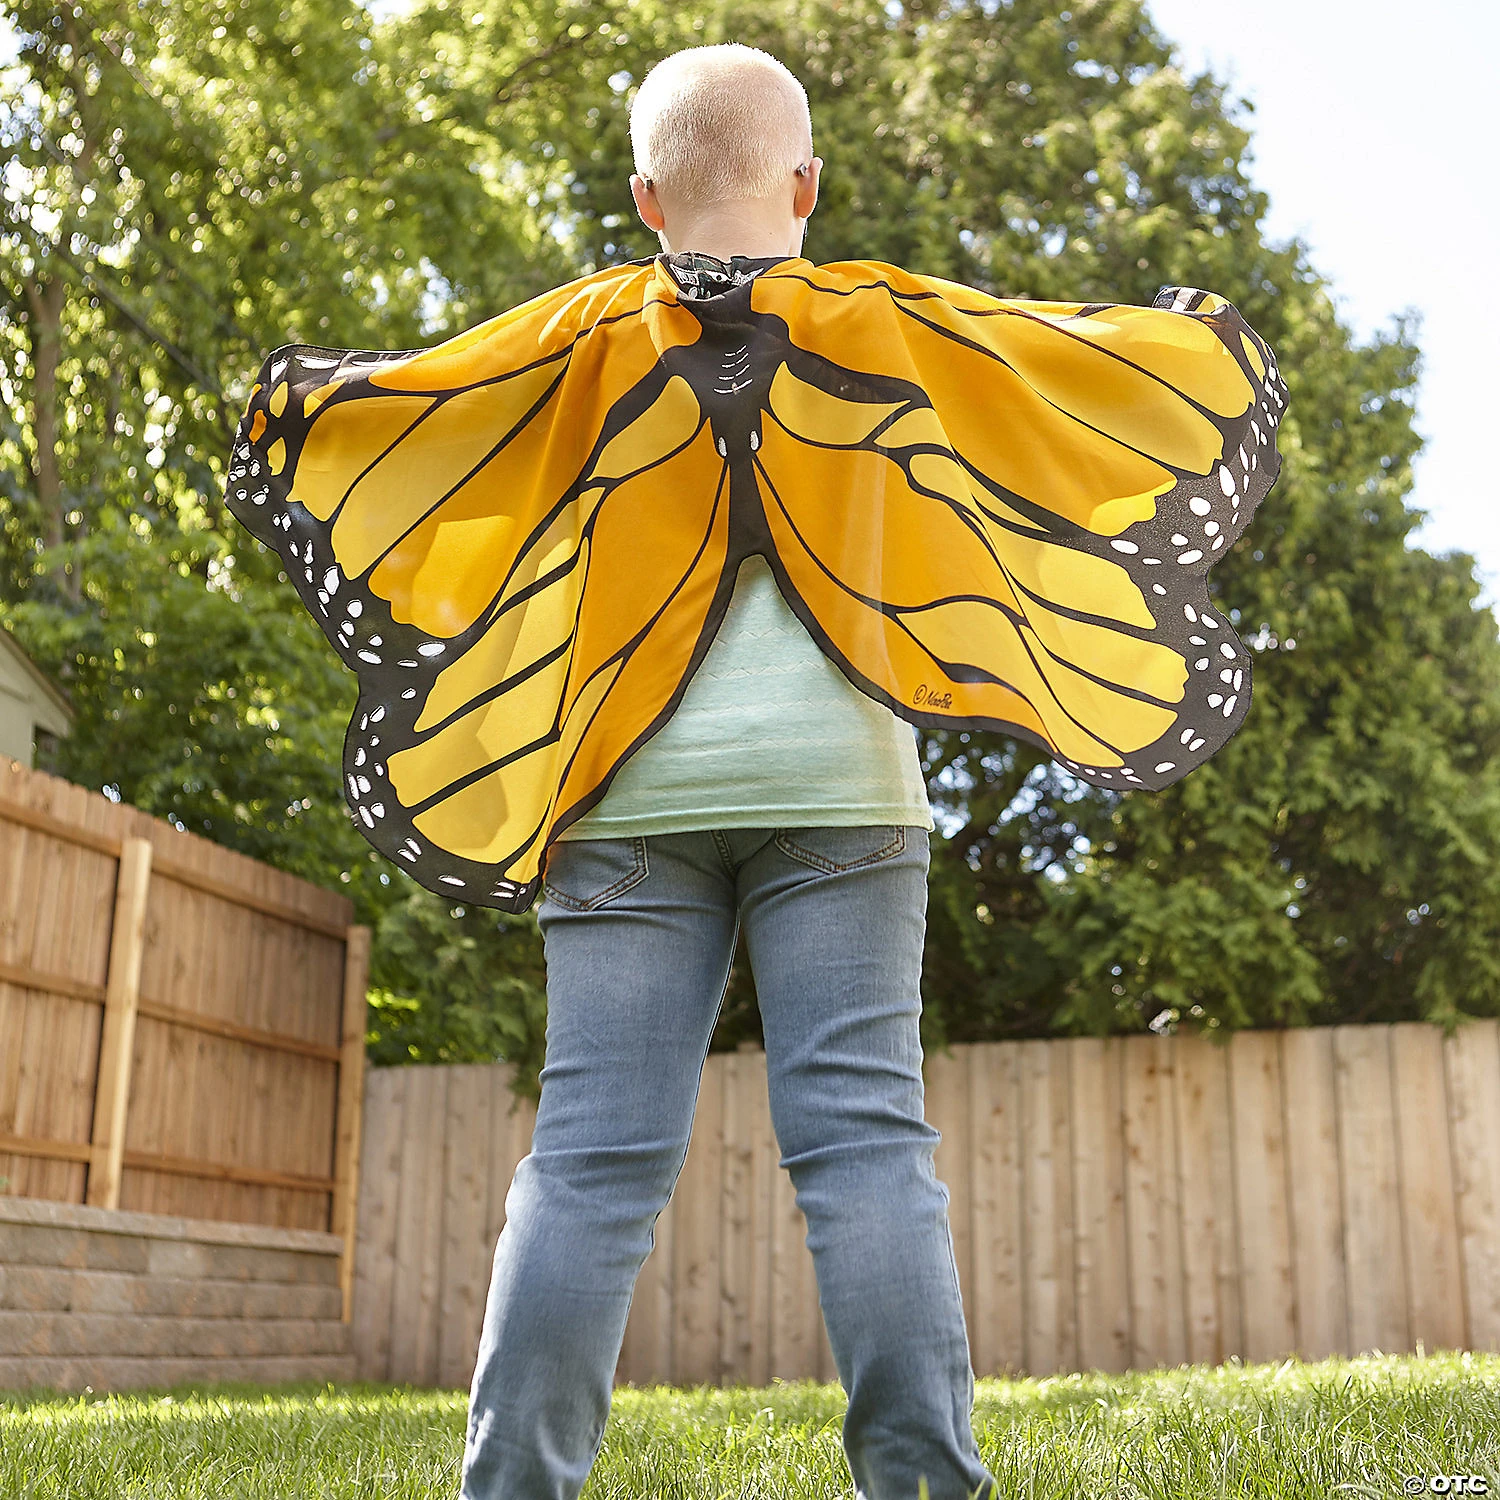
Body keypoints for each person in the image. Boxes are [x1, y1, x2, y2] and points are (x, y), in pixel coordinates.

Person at [458, 42, 1001, 1500]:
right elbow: (1038, 405)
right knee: (867, 1148)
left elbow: (452, 461)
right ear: (809, 185)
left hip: (624, 794)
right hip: (843, 787)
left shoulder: (583, 341)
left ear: (645, 198)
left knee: (587, 1166)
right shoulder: (883, 328)